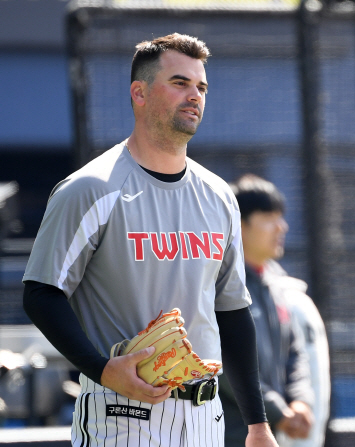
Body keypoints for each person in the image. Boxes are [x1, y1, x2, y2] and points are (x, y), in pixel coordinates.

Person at [22, 34, 277, 447]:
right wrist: (101, 369)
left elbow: (232, 313)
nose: (194, 95)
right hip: (123, 415)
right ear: (138, 93)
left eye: (201, 87)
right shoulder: (90, 188)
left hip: (206, 418)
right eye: (180, 82)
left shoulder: (218, 195)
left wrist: (258, 424)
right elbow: (41, 292)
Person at [221, 174, 330, 447]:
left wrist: (301, 401)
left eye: (280, 217)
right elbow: (221, 361)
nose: (282, 227)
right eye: (269, 217)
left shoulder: (275, 285)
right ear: (239, 225)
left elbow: (295, 352)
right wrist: (278, 412)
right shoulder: (218, 284)